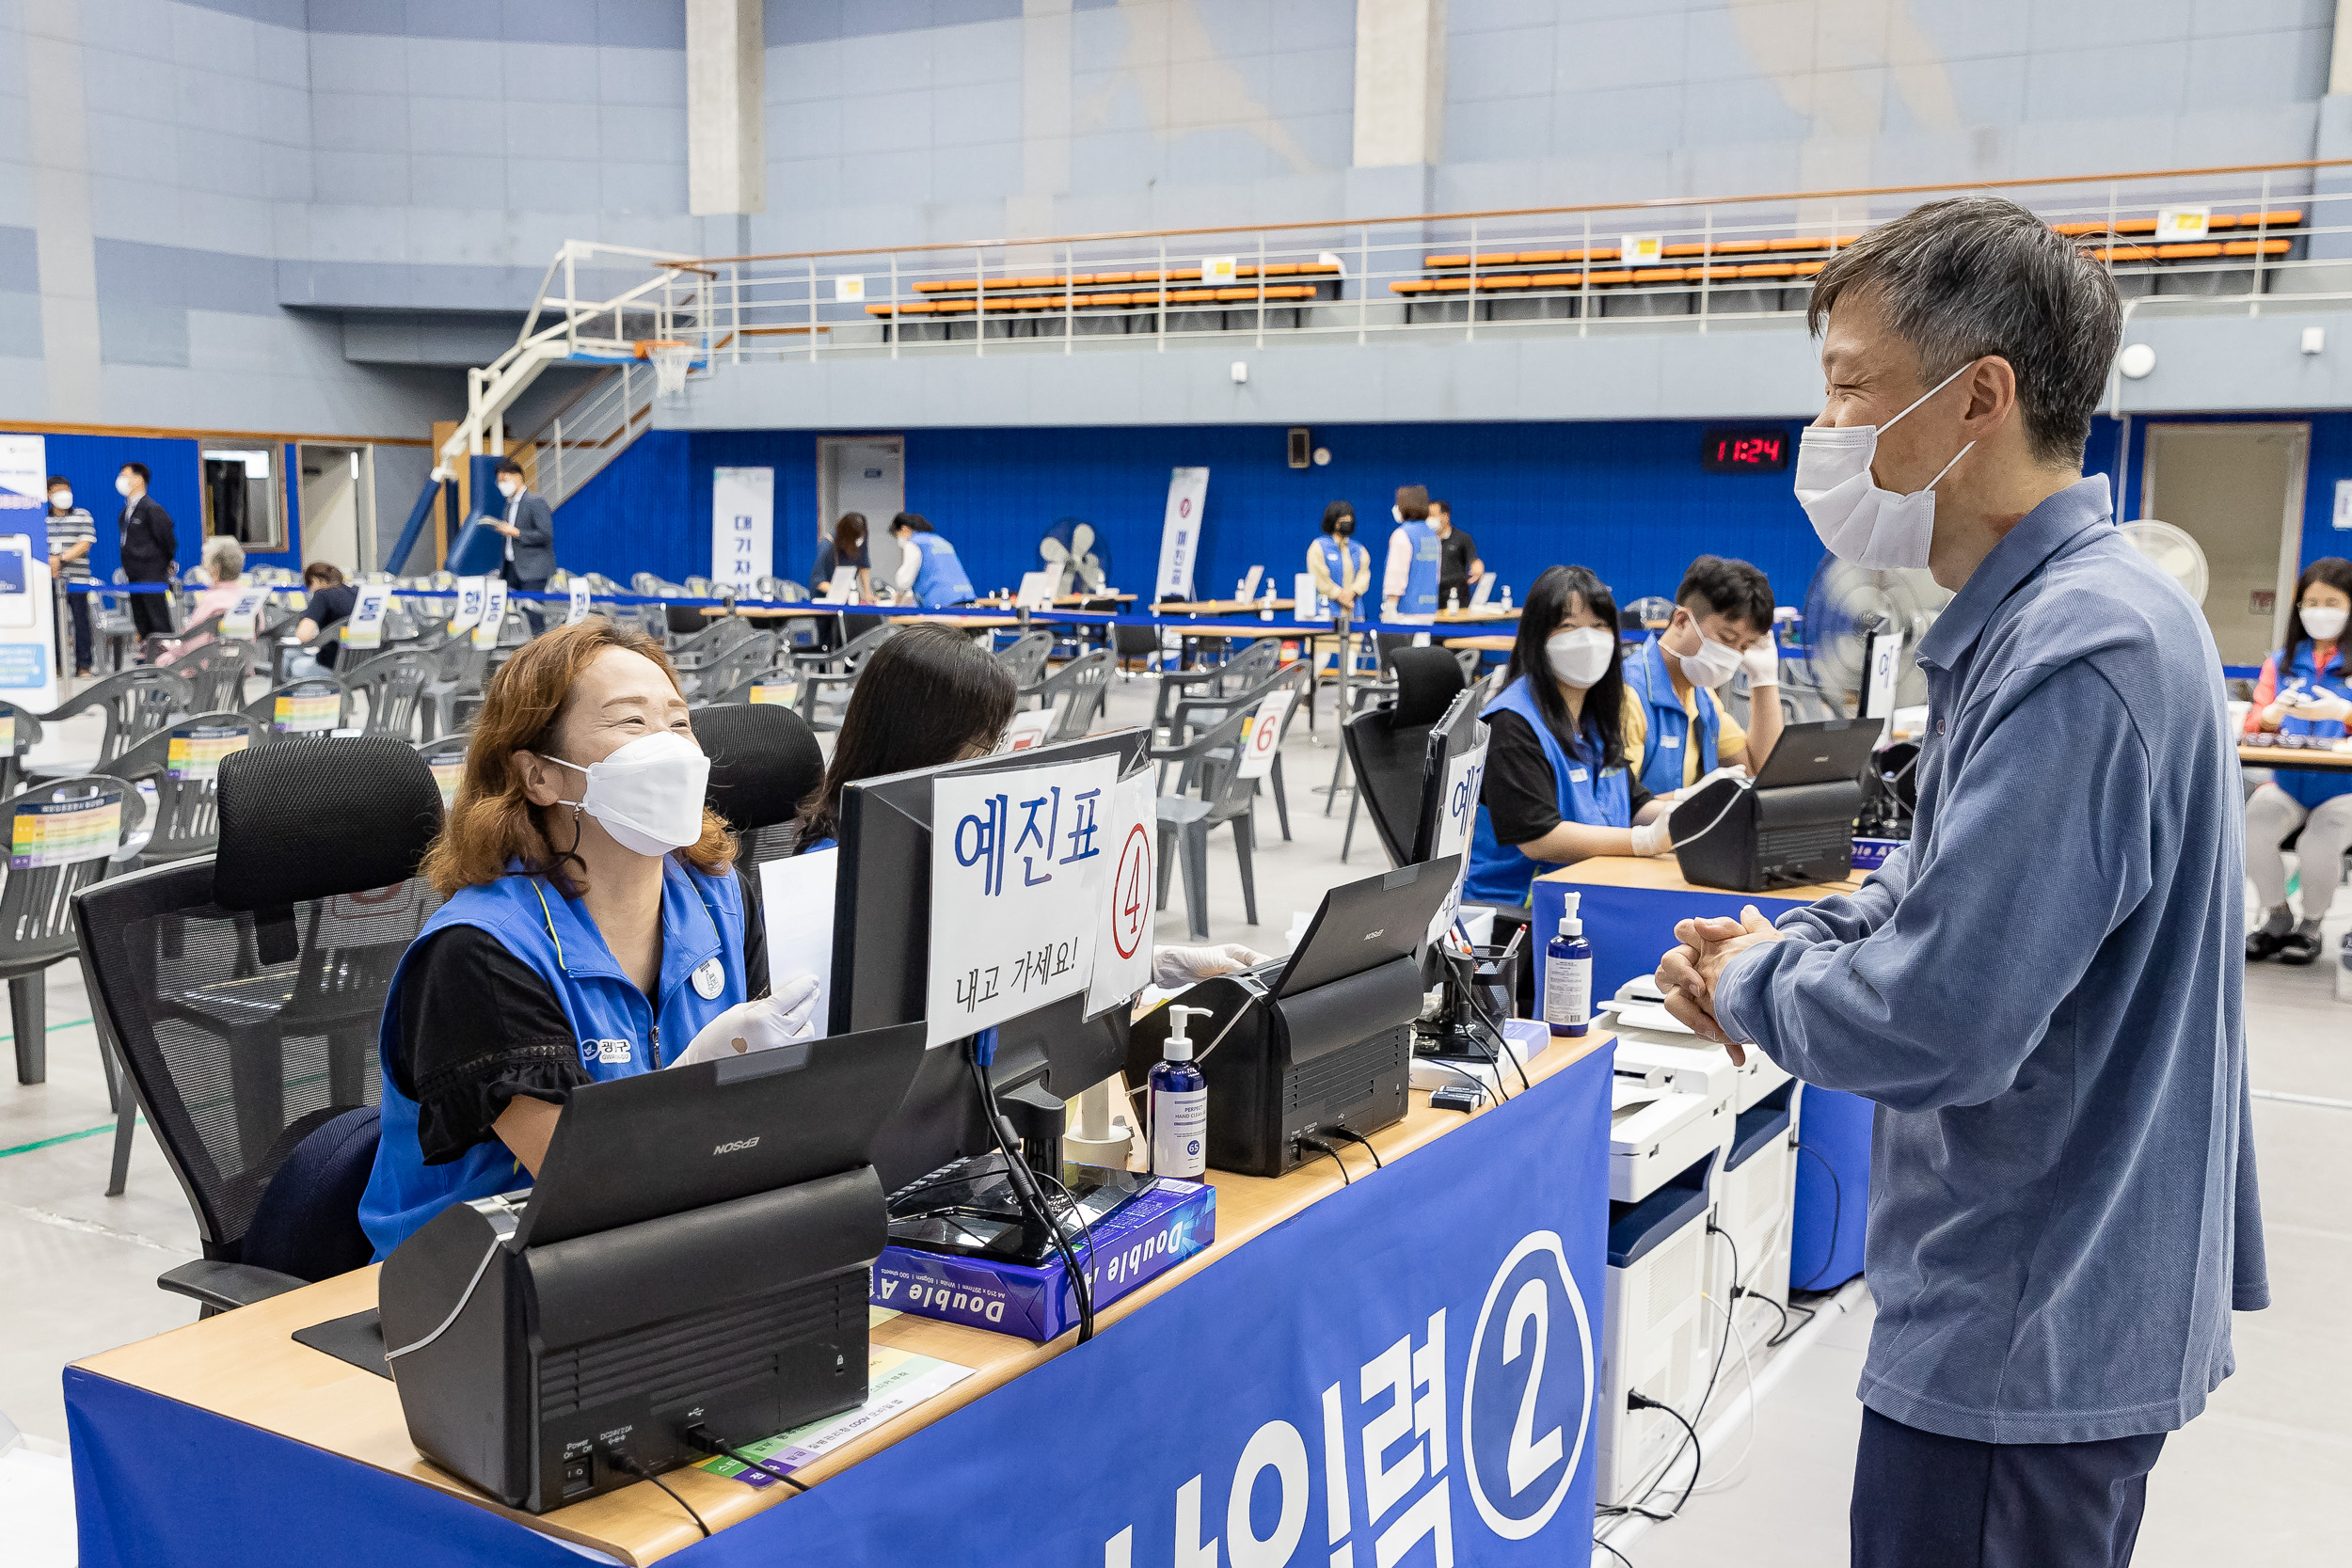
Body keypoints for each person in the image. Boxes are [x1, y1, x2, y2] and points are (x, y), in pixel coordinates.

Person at [1654, 196, 2264, 1568]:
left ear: (1978, 395)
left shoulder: (2083, 648)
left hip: (2024, 1321)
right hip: (2040, 1288)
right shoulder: (2059, 621)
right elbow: (1946, 891)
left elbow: (1946, 1015)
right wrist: (1795, 942)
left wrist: (1758, 979)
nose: (1830, 436)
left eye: (1853, 389)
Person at [358, 620, 822, 1257]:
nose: (669, 746)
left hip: (678, 1246)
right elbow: (596, 1187)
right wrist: (694, 1080)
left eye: (679, 722)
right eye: (631, 722)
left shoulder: (719, 897)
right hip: (476, 1291)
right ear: (540, 775)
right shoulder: (479, 952)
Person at [792, 624, 1263, 986]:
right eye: (981, 744)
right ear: (921, 742)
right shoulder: (836, 875)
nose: (989, 764)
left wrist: (1156, 963)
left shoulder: (970, 848)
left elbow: (1030, 961)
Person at [1463, 564, 1671, 908]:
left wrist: (1691, 814)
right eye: (1568, 626)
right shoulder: (1511, 723)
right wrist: (1644, 841)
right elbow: (1539, 839)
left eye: (1600, 626)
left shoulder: (1596, 716)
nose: (1588, 639)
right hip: (1518, 917)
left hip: (1594, 893)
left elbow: (1635, 805)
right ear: (1538, 637)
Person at [2243, 556, 2352, 963]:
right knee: (2250, 826)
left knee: (2317, 845)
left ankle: (2312, 926)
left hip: (2344, 790)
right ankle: (2276, 917)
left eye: (2332, 602)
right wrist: (2269, 717)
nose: (2319, 611)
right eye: (2311, 602)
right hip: (2288, 784)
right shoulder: (2281, 662)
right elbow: (2254, 722)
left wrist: (2343, 714)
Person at [1623, 555, 1783, 797]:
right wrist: (1693, 798)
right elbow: (1617, 809)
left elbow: (1760, 771)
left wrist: (1764, 681)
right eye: (1727, 638)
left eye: (1744, 646)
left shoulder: (1702, 699)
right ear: (1682, 620)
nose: (1732, 653)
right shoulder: (1629, 694)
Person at [487, 456, 555, 631]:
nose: (500, 485)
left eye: (504, 480)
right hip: (511, 569)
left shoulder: (535, 502)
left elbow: (545, 535)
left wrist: (516, 532)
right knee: (514, 616)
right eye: (499, 481)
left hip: (532, 570)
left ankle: (539, 652)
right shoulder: (508, 505)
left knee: (533, 615)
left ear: (517, 477)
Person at [158, 537, 246, 664]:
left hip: (202, 672)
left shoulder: (212, 601)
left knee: (159, 659)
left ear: (215, 567)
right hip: (239, 667)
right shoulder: (247, 596)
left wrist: (171, 647)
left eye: (205, 562)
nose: (203, 566)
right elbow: (260, 628)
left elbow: (192, 642)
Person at [116, 462, 177, 640]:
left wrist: (163, 563)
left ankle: (165, 658)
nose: (120, 480)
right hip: (133, 575)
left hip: (151, 575)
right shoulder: (125, 512)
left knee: (158, 621)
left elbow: (167, 539)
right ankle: (148, 657)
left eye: (125, 475)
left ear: (139, 479)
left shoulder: (152, 508)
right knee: (142, 621)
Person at [45, 476, 94, 677]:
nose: (63, 494)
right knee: (53, 624)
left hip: (77, 580)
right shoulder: (42, 518)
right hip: (49, 580)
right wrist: (49, 562)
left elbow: (85, 543)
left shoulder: (82, 515)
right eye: (57, 490)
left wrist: (60, 559)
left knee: (81, 622)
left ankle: (84, 665)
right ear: (48, 495)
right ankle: (56, 665)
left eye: (66, 489)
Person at [1379, 484, 1441, 625]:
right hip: (1429, 609)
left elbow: (1397, 573)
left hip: (1405, 612)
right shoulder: (1433, 536)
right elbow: (1436, 574)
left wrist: (1390, 607)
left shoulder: (1402, 534)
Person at [889, 512, 975, 610]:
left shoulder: (914, 543)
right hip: (966, 596)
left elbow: (904, 581)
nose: (898, 540)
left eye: (897, 535)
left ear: (904, 529)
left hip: (941, 601)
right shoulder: (941, 541)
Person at [292, 562, 359, 673]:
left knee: (295, 664)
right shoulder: (355, 592)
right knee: (291, 654)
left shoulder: (322, 595)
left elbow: (303, 635)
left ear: (315, 580)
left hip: (333, 665)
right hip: (360, 664)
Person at [1307, 501, 1369, 617]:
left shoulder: (1359, 549)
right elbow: (1319, 578)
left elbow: (1364, 576)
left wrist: (1352, 593)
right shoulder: (1318, 546)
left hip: (1355, 613)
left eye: (1349, 518)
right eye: (1342, 518)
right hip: (1326, 613)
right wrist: (1340, 595)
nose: (1347, 520)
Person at [1428, 499, 1484, 610]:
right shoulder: (1425, 539)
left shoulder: (1462, 538)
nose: (1429, 519)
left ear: (1445, 516)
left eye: (1432, 515)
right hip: (1430, 596)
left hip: (1456, 597)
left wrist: (1478, 569)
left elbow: (1474, 560)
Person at [812, 512, 873, 601]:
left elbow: (863, 566)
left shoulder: (860, 537)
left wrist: (867, 593)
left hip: (847, 597)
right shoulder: (827, 546)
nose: (859, 541)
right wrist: (841, 593)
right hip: (825, 599)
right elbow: (818, 582)